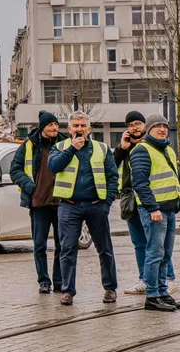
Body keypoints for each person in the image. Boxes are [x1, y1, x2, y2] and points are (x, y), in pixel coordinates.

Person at [48, 111, 119, 306]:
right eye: (75, 126)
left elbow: (113, 177)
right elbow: (53, 166)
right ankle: (68, 291)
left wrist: (107, 202)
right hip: (69, 206)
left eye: (82, 126)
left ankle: (110, 288)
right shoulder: (60, 147)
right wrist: (71, 149)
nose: (79, 129)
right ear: (69, 129)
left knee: (104, 249)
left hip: (96, 205)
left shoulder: (102, 149)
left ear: (89, 128)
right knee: (67, 249)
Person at [114, 111, 176, 295]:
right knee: (142, 243)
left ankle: (165, 281)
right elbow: (111, 167)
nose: (135, 127)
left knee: (158, 246)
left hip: (153, 203)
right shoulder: (128, 148)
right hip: (132, 200)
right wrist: (121, 149)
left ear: (145, 126)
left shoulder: (153, 147)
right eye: (130, 124)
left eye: (138, 123)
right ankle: (147, 282)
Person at [10, 110, 68, 294]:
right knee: (39, 245)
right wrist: (30, 187)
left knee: (63, 245)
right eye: (51, 125)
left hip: (62, 202)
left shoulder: (65, 143)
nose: (54, 128)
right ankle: (44, 281)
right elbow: (15, 170)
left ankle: (59, 281)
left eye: (56, 124)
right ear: (43, 127)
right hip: (38, 203)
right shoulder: (30, 145)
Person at [128, 114, 180, 312]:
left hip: (168, 209)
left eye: (164, 126)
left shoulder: (166, 148)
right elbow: (140, 183)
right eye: (157, 126)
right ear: (148, 130)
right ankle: (152, 295)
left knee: (165, 254)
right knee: (154, 253)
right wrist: (153, 208)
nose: (162, 129)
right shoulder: (142, 150)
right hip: (154, 211)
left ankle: (162, 291)